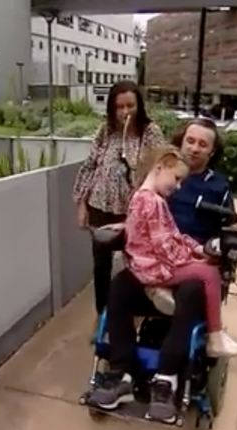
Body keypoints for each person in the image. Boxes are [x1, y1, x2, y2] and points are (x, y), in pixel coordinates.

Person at [87, 120, 237, 422]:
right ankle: (123, 374)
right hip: (161, 260)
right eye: (191, 140)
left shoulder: (218, 186)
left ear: (212, 152)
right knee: (120, 285)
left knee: (192, 289)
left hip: (190, 260)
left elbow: (229, 228)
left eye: (203, 144)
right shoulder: (162, 177)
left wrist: (214, 246)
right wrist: (125, 226)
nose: (195, 147)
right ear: (181, 142)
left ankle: (166, 379)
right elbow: (146, 215)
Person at [124, 146, 237, 360]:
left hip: (147, 265)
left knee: (202, 267)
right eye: (177, 178)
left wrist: (198, 249)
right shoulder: (151, 202)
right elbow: (164, 247)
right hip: (151, 267)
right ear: (160, 167)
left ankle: (160, 289)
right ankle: (215, 338)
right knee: (209, 274)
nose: (179, 186)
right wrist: (192, 260)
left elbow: (174, 235)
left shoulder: (147, 198)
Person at [72, 81, 164, 325]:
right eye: (119, 107)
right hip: (100, 206)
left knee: (136, 262)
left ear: (139, 106)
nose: (125, 112)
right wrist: (81, 203)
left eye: (130, 106)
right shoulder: (106, 131)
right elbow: (90, 165)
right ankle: (102, 316)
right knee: (101, 266)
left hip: (133, 212)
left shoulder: (149, 132)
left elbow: (159, 171)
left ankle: (131, 313)